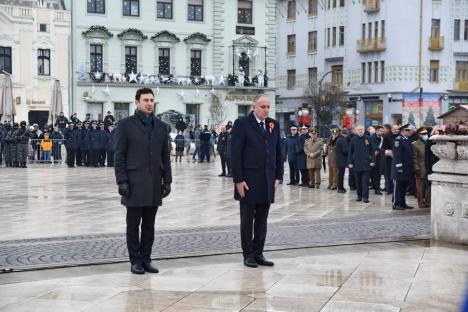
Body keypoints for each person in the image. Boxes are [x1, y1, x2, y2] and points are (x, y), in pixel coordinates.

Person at [114, 88, 172, 275]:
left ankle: (146, 258)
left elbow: (165, 157)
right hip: (133, 183)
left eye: (151, 100)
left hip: (154, 183)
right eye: (145, 100)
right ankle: (135, 261)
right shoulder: (125, 125)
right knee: (133, 225)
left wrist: (167, 181)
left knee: (149, 225)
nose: (149, 103)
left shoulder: (162, 127)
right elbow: (119, 156)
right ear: (137, 102)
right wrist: (121, 181)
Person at [231, 95, 284, 268]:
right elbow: (235, 154)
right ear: (254, 107)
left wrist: (279, 177)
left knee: (262, 219)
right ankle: (248, 254)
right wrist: (238, 180)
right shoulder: (242, 124)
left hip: (268, 180)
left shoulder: (273, 125)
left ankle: (259, 252)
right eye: (263, 106)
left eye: (268, 106)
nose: (266, 110)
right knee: (247, 220)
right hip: (248, 181)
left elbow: (278, 152)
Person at [391, 124, 415, 210]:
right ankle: (395, 203)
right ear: (403, 131)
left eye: (410, 131)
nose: (410, 132)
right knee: (397, 187)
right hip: (399, 169)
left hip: (406, 168)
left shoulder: (406, 139)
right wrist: (399, 167)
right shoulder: (398, 140)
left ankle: (402, 202)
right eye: (408, 130)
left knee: (403, 187)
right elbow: (397, 155)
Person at [348, 125, 374, 203]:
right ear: (356, 130)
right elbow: (350, 152)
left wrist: (373, 161)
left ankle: (365, 197)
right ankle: (359, 195)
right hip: (356, 164)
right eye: (358, 129)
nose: (360, 131)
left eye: (361, 129)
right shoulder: (353, 140)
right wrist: (350, 162)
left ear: (364, 130)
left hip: (366, 164)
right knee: (358, 182)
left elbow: (372, 151)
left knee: (365, 181)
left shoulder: (368, 138)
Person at [412, 127, 430, 208]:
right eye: (423, 134)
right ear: (418, 134)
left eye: (426, 134)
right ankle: (421, 202)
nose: (425, 135)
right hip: (420, 168)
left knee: (428, 186)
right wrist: (416, 168)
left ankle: (428, 201)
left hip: (429, 168)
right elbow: (414, 157)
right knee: (420, 187)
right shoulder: (415, 144)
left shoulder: (429, 143)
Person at [370, 126, 384, 195]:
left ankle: (377, 187)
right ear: (377, 131)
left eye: (382, 131)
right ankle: (375, 188)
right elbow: (374, 147)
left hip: (380, 158)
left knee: (378, 174)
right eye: (381, 131)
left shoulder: (382, 138)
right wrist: (384, 151)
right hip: (374, 158)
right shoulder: (372, 137)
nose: (382, 132)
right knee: (374, 174)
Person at [335, 128, 349, 193]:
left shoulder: (338, 139)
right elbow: (345, 150)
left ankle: (341, 187)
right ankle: (340, 188)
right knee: (341, 175)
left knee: (340, 174)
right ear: (346, 134)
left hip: (338, 159)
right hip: (342, 160)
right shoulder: (343, 140)